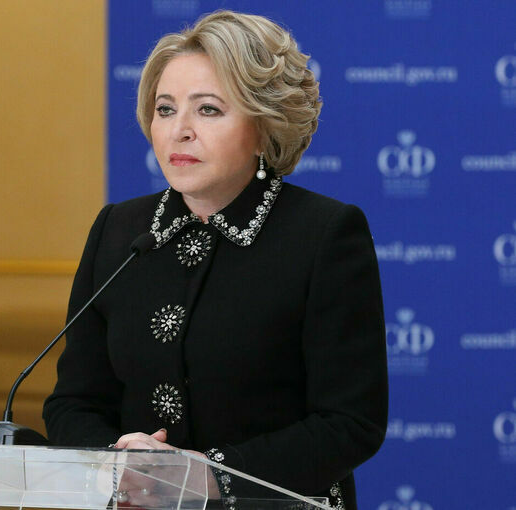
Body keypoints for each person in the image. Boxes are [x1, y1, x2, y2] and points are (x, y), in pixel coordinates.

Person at [43, 10, 388, 510]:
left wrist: (210, 476)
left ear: (264, 125)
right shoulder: (118, 230)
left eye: (207, 110)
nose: (179, 130)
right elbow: (73, 402)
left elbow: (350, 424)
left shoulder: (324, 234)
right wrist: (117, 461)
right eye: (165, 109)